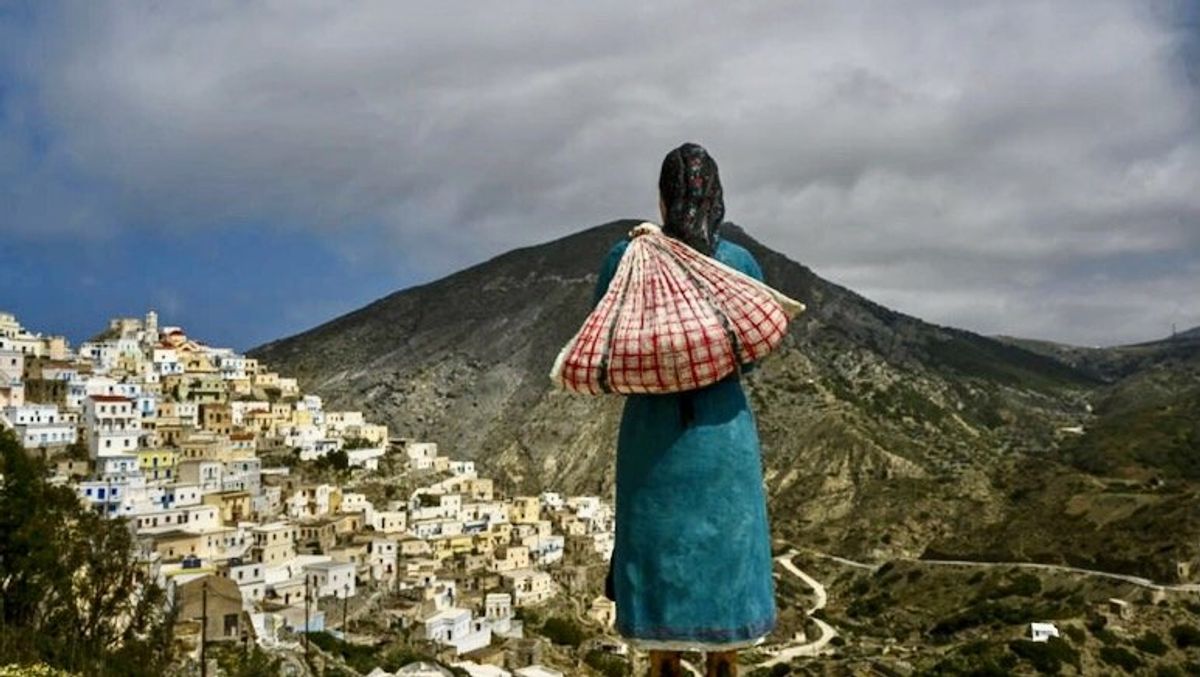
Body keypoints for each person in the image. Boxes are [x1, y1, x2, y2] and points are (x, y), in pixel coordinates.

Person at [593, 142, 777, 677]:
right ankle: (725, 658)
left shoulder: (625, 258)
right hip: (722, 432)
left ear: (662, 198)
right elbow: (754, 351)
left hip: (653, 434)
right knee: (728, 538)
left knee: (655, 537)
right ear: (716, 197)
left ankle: (662, 659)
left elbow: (608, 340)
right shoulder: (738, 263)